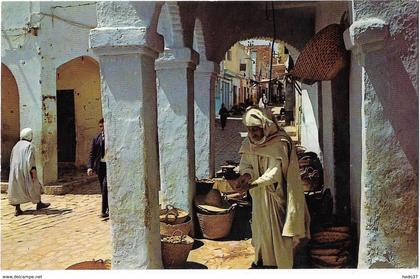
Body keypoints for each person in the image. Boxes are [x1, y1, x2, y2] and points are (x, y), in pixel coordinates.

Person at [228, 108, 310, 268]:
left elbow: (274, 173)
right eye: (250, 130)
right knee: (262, 230)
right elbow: (246, 164)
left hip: (276, 196)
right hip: (259, 197)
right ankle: (265, 263)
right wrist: (245, 176)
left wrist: (252, 184)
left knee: (279, 233)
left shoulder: (280, 142)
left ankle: (282, 265)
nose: (253, 134)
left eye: (256, 129)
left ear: (265, 126)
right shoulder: (248, 143)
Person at [8, 128, 50, 216]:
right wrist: (33, 169)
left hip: (15, 170)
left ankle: (17, 208)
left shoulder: (16, 145)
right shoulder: (29, 145)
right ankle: (39, 203)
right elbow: (30, 159)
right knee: (34, 185)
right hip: (26, 169)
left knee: (17, 188)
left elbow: (11, 158)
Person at [87, 118, 109, 218]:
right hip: (101, 166)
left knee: (105, 186)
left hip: (110, 166)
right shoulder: (97, 138)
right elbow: (92, 154)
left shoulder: (112, 138)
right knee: (103, 188)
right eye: (100, 126)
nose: (102, 128)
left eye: (104, 126)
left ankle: (104, 210)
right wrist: (90, 167)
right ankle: (108, 207)